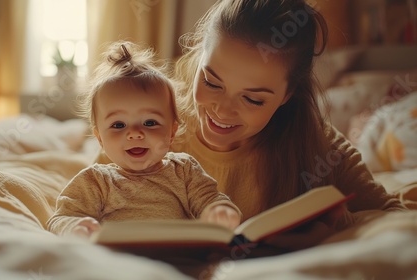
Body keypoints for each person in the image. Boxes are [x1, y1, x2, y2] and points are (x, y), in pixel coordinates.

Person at [94, 0, 405, 252]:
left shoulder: (318, 145)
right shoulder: (153, 123)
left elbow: (394, 217)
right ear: (199, 57)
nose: (223, 110)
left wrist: (334, 230)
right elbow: (92, 195)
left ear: (287, 96)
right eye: (212, 82)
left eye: (253, 100)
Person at [47, 41, 241, 237]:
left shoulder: (184, 170)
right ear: (99, 139)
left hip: (176, 259)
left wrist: (219, 211)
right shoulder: (96, 181)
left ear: (172, 131)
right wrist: (75, 227)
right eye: (118, 125)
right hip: (118, 261)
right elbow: (61, 218)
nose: (134, 133)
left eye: (149, 122)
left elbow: (210, 198)